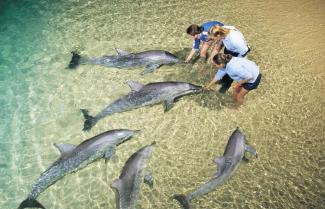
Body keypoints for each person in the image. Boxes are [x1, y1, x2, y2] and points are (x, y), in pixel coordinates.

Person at [207, 25, 251, 93]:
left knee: (231, 71)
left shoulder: (234, 39)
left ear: (218, 36)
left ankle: (226, 85)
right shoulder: (223, 29)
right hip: (230, 49)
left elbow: (245, 51)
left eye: (214, 38)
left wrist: (234, 62)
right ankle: (221, 79)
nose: (215, 41)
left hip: (239, 53)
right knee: (223, 68)